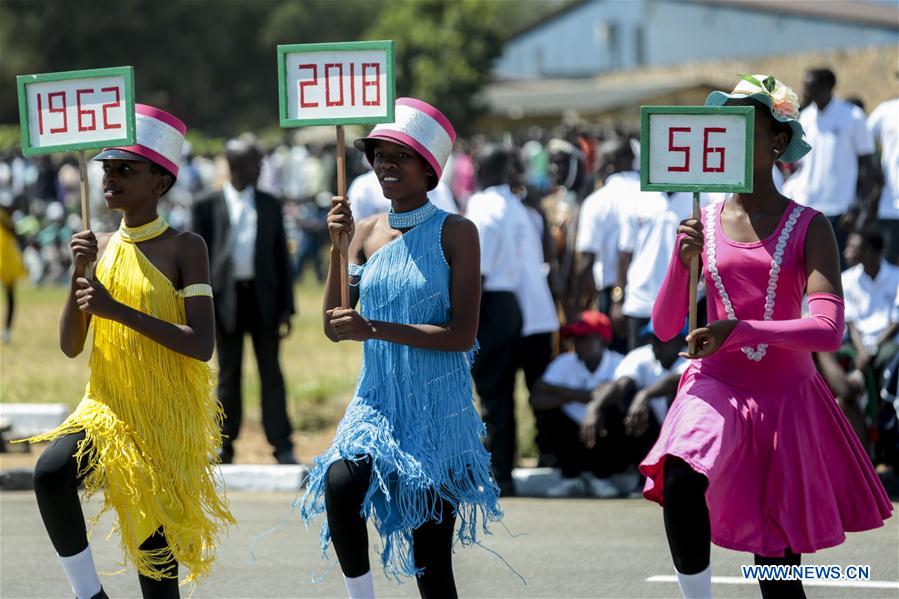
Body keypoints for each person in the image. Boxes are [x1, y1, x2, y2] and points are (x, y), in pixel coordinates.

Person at [640, 75, 892, 599]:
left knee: (778, 576)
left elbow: (828, 330)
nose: (728, 135)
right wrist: (680, 263)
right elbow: (665, 328)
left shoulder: (810, 225)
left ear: (777, 143)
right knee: (682, 475)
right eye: (724, 122)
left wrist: (741, 329)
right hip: (714, 382)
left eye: (745, 124)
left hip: (785, 400)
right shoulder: (699, 221)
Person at [26, 104, 234, 598]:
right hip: (105, 410)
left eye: (126, 169)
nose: (110, 178)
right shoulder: (93, 244)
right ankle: (88, 594)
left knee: (157, 579)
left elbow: (201, 345)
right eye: (107, 169)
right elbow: (71, 345)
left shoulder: (186, 247)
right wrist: (80, 273)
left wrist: (117, 310)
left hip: (162, 429)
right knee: (51, 472)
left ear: (159, 183)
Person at [300, 98, 501, 599]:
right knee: (341, 484)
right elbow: (333, 325)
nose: (385, 164)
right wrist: (335, 247)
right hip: (376, 404)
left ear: (429, 169)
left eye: (399, 155)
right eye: (378, 155)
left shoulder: (457, 232)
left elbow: (462, 335)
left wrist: (376, 328)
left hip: (438, 413)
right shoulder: (363, 231)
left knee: (431, 562)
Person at [192, 137, 297, 465]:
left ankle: (282, 444)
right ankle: (225, 443)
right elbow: (197, 258)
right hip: (225, 301)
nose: (262, 168)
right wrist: (199, 306)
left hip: (263, 298)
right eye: (257, 163)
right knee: (228, 375)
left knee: (271, 374)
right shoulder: (206, 203)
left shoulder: (268, 203)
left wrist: (286, 308)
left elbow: (281, 257)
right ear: (238, 166)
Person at [466, 144, 525, 496]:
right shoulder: (514, 205)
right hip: (511, 303)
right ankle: (503, 468)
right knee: (503, 393)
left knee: (491, 393)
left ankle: (496, 471)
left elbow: (478, 270)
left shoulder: (483, 205)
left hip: (489, 301)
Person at [783, 68, 877, 263]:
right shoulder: (804, 117)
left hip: (840, 212)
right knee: (806, 268)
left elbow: (868, 167)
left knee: (838, 272)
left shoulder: (853, 116)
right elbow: (797, 166)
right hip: (806, 207)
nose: (805, 89)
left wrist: (858, 208)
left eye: (810, 85)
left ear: (827, 87)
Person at [529, 311, 626, 497]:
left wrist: (559, 390)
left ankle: (602, 477)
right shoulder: (565, 361)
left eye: (584, 338)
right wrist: (584, 397)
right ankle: (571, 477)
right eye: (575, 338)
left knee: (615, 411)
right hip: (573, 435)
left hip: (605, 434)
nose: (578, 344)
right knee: (550, 415)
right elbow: (536, 398)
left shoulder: (619, 363)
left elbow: (614, 395)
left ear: (603, 340)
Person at [818, 227, 899, 447]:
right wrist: (862, 351)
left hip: (887, 343)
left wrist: (871, 350)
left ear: (869, 252)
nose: (847, 251)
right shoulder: (847, 279)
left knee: (890, 359)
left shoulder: (895, 277)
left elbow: (895, 321)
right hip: (855, 344)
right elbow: (851, 322)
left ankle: (885, 416)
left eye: (854, 246)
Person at [867, 96, 899, 263]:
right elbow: (864, 137)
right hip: (892, 206)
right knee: (889, 265)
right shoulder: (886, 110)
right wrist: (874, 166)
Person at [0, 201, 26, 343]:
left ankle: (7, 331)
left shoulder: (6, 219)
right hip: (5, 259)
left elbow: (14, 231)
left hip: (6, 260)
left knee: (10, 297)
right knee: (10, 297)